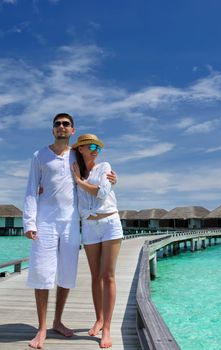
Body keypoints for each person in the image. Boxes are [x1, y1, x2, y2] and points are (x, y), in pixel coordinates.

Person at [23, 114, 116, 349]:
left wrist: (112, 179)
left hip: (72, 222)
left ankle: (57, 321)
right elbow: (31, 190)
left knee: (66, 273)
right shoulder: (39, 155)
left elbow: (96, 174)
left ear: (72, 130)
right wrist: (29, 223)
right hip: (45, 222)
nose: (61, 127)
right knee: (43, 274)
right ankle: (42, 328)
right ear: (53, 129)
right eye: (57, 124)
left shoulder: (78, 155)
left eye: (66, 124)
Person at [71, 134, 123, 349]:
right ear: (80, 149)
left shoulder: (104, 167)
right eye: (91, 146)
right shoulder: (73, 169)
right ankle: (99, 319)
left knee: (108, 275)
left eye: (97, 147)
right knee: (95, 276)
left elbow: (102, 193)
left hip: (110, 222)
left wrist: (79, 182)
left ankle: (108, 328)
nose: (95, 150)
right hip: (89, 227)